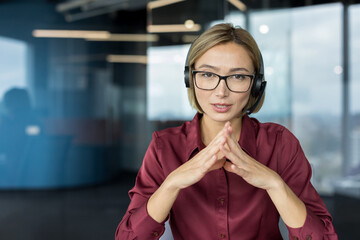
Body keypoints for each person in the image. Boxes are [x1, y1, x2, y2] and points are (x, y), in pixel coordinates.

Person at [115, 23, 338, 240]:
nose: (221, 92)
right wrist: (172, 183)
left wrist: (274, 183)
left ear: (256, 85)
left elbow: (323, 236)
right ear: (190, 79)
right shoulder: (164, 147)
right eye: (208, 75)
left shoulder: (279, 144)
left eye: (238, 76)